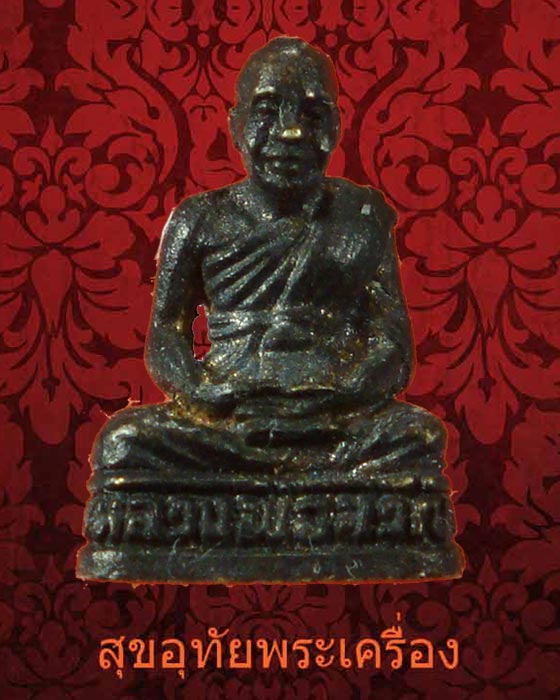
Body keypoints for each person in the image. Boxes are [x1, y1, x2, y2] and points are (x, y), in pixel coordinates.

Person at [91, 36, 446, 482]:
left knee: (417, 437)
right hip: (230, 410)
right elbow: (166, 333)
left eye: (312, 115)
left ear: (336, 127)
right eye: (267, 111)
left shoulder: (360, 217)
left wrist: (350, 390)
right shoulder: (200, 219)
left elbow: (391, 341)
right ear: (236, 125)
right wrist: (200, 391)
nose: (290, 132)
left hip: (331, 414)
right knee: (124, 442)